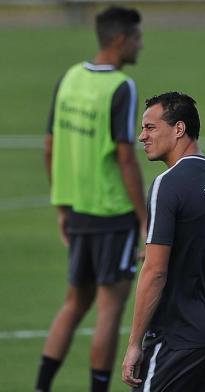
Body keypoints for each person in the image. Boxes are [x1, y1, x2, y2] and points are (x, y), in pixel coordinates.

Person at [35, 7, 147, 392]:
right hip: (113, 212)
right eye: (137, 38)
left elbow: (50, 146)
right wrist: (144, 216)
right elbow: (126, 156)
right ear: (119, 40)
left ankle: (41, 386)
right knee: (109, 310)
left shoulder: (70, 78)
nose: (141, 45)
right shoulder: (120, 86)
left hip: (79, 209)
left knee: (72, 304)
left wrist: (62, 205)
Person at [121, 92, 205, 391]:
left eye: (150, 127)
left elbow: (155, 271)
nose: (142, 136)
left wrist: (135, 343)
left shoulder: (169, 183)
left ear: (179, 129)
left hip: (179, 341)